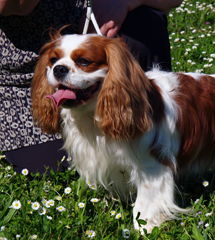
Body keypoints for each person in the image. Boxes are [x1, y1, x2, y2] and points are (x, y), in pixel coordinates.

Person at [0, 0, 182, 174]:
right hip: (23, 76)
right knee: (49, 164)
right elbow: (11, 5)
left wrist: (125, 1)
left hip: (113, 65)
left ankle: (152, 124)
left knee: (145, 20)